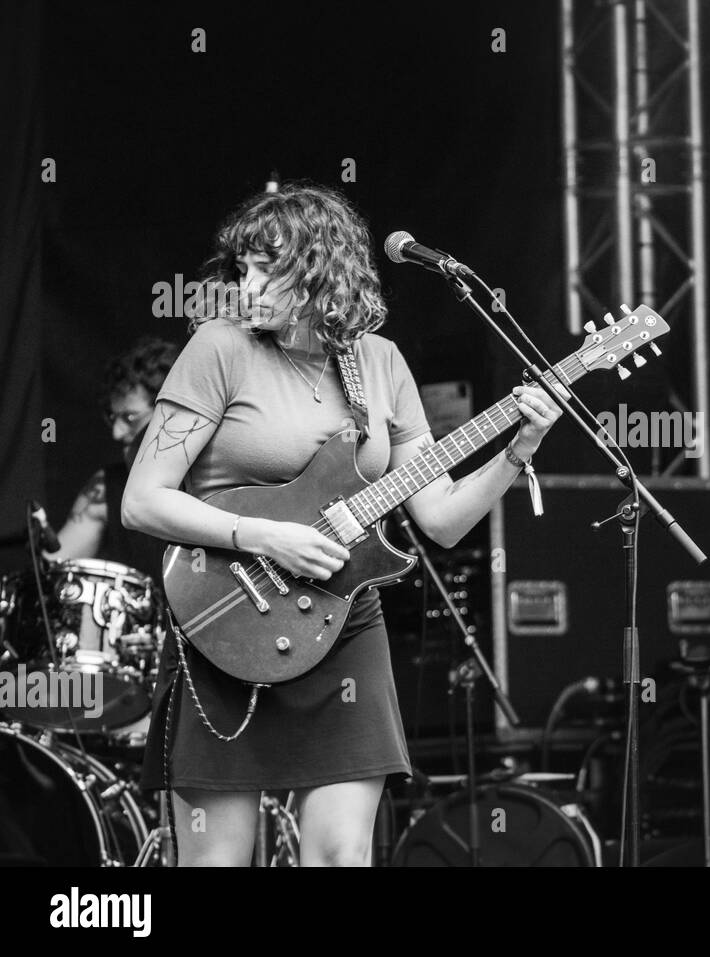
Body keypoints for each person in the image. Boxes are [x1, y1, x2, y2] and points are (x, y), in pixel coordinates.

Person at [123, 183, 562, 866]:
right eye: (240, 268)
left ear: (321, 266)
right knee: (215, 862)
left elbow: (441, 519)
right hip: (224, 613)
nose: (246, 285)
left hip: (343, 618)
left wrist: (517, 452)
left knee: (339, 858)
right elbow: (143, 501)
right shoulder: (217, 347)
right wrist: (264, 534)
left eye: (266, 267)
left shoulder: (379, 363)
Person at [45, 336, 179, 577]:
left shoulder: (216, 473)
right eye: (112, 417)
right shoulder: (105, 487)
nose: (117, 433)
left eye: (130, 418)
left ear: (168, 410)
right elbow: (52, 568)